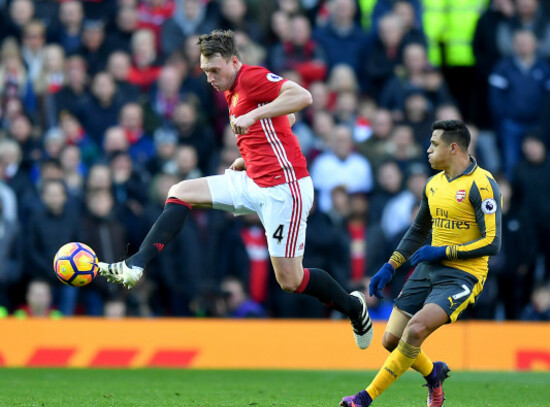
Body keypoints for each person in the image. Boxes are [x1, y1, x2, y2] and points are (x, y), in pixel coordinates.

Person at [98, 29, 373, 349]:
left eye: (215, 70)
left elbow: (302, 97)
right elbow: (290, 118)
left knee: (290, 280)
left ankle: (355, 308)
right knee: (180, 191)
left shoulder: (252, 77)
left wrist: (256, 114)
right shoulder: (231, 89)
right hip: (253, 179)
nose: (210, 79)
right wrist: (250, 155)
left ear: (234, 62)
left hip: (286, 189)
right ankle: (135, 265)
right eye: (204, 72)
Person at [340, 120, 502, 407]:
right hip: (429, 269)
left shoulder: (482, 184)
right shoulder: (433, 184)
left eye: (433, 144)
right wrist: (389, 266)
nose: (427, 150)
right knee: (391, 340)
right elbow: (416, 232)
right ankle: (433, 373)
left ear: (453, 148)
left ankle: (365, 397)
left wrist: (443, 251)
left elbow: (493, 242)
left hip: (463, 275)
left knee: (414, 331)